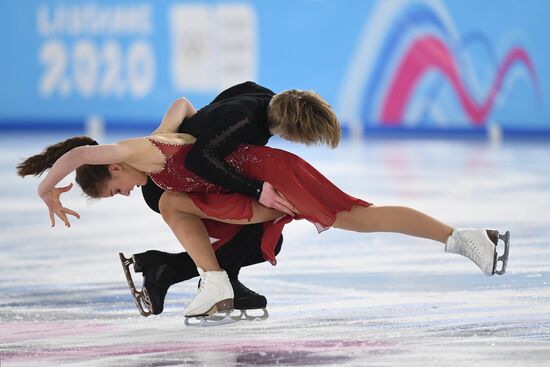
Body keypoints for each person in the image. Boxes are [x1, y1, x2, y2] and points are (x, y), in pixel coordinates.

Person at [17, 132, 510, 319]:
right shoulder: (151, 163)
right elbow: (186, 108)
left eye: (112, 189)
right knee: (172, 205)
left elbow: (80, 152)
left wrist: (45, 189)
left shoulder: (134, 152)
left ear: (114, 169)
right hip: (253, 181)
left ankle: (464, 238)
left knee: (358, 217)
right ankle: (213, 282)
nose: (122, 194)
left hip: (269, 174)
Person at [131, 81, 337, 316]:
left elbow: (207, 119)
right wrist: (256, 190)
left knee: (268, 241)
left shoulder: (256, 92)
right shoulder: (245, 122)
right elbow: (199, 159)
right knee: (261, 239)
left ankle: (168, 269)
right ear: (293, 132)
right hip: (170, 185)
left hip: (179, 177)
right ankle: (206, 278)